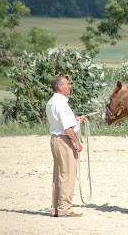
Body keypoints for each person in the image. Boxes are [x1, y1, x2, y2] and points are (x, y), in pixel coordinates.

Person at [46, 76, 85, 217]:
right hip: (64, 141)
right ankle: (65, 209)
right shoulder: (62, 103)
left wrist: (75, 121)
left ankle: (56, 208)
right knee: (68, 174)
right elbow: (67, 128)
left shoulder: (51, 102)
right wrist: (77, 142)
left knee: (58, 175)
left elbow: (61, 122)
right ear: (60, 87)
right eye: (67, 84)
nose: (70, 86)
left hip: (55, 140)